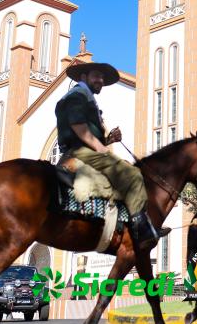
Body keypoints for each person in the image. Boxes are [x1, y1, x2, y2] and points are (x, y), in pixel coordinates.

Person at [55, 62, 169, 248]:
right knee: (133, 175)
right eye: (96, 76)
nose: (100, 80)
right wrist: (101, 148)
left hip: (82, 149)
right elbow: (78, 126)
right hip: (79, 152)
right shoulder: (78, 95)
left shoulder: (85, 96)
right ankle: (141, 228)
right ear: (83, 77)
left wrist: (109, 140)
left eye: (102, 77)